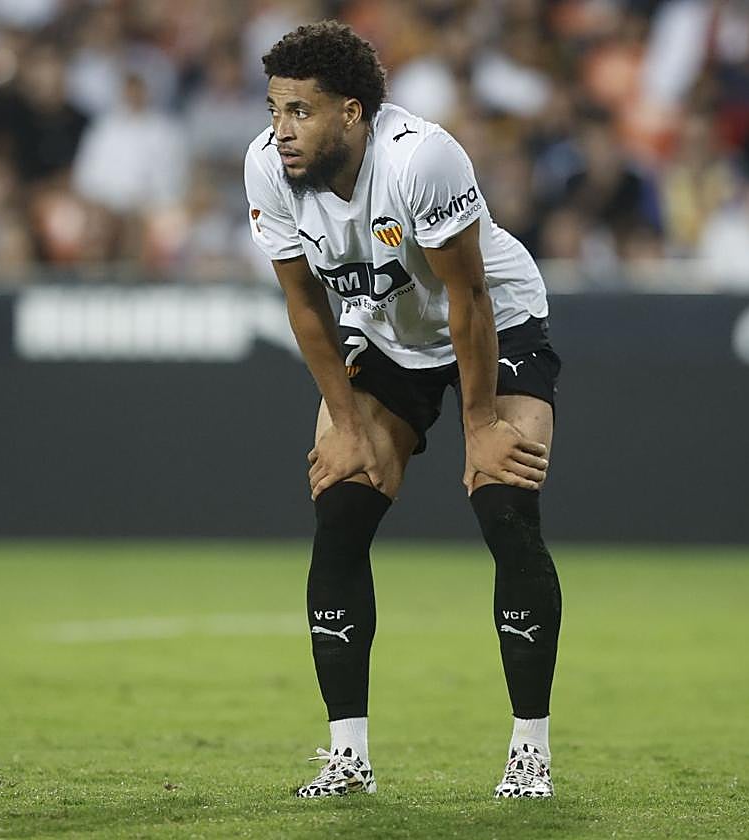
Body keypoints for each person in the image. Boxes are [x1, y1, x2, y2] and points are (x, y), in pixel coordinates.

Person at [244, 22, 562, 800]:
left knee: (504, 508)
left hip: (494, 319)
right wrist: (346, 422)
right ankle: (347, 758)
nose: (281, 131)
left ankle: (530, 751)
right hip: (386, 333)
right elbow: (306, 307)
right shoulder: (266, 168)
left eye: (301, 112)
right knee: (340, 510)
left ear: (352, 113)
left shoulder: (422, 157)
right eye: (275, 109)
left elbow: (470, 297)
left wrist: (480, 425)